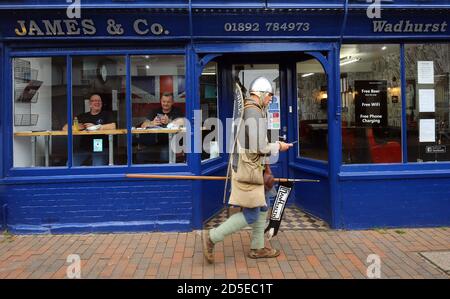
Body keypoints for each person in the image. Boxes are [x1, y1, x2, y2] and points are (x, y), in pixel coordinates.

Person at [202, 77, 292, 263]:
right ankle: (212, 237)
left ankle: (257, 248)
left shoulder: (254, 110)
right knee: (252, 213)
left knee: (263, 205)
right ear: (261, 94)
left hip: (253, 168)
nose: (270, 100)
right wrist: (279, 146)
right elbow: (260, 146)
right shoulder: (254, 112)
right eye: (269, 96)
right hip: (249, 171)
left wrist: (267, 168)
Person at [63, 94, 116, 166]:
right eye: (94, 101)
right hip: (84, 148)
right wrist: (77, 127)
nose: (97, 103)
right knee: (70, 164)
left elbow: (113, 126)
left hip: (100, 148)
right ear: (90, 104)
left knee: (97, 167)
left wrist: (96, 127)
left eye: (99, 101)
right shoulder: (83, 116)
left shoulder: (106, 114)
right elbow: (65, 128)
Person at [137, 92, 184, 163]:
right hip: (154, 143)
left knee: (164, 155)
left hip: (171, 143)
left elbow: (182, 123)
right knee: (141, 155)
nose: (165, 104)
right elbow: (143, 125)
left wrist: (170, 121)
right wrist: (152, 123)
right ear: (160, 101)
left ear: (172, 102)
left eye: (168, 102)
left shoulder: (177, 111)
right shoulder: (155, 111)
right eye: (164, 101)